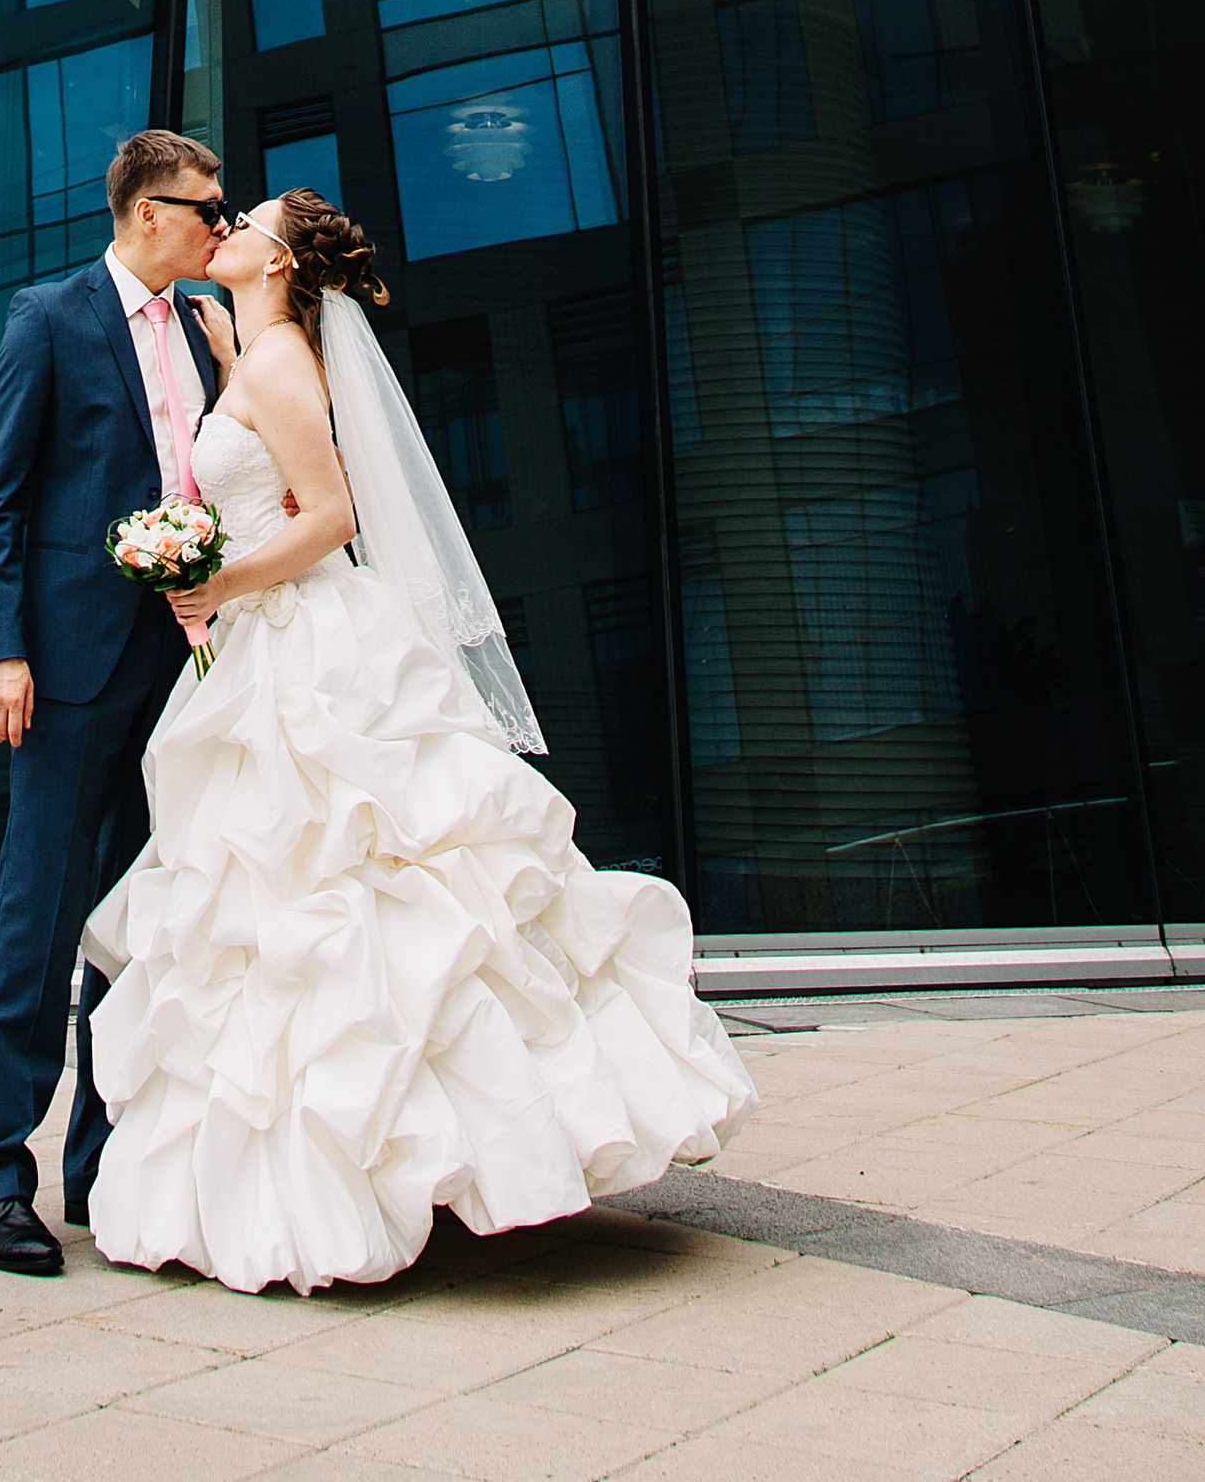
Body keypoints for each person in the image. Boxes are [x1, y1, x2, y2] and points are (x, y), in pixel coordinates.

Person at [82, 189, 757, 1298]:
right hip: (263, 645)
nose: (228, 233)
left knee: (349, 891)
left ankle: (397, 1165)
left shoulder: (282, 361)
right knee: (279, 901)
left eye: (244, 225)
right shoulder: (255, 349)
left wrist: (213, 582)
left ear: (278, 263)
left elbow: (333, 515)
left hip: (302, 642)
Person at [0, 127, 234, 1276]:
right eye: (203, 205)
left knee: (138, 930)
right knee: (38, 923)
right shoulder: (51, 317)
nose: (219, 222)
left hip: (183, 671)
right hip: (66, 671)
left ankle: (102, 1166)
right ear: (143, 211)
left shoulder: (207, 334)